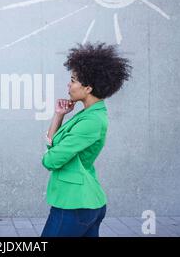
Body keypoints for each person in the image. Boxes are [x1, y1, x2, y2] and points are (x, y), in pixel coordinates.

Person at [41, 42, 132, 237]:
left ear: (88, 88)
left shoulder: (91, 121)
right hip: (82, 203)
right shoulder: (88, 114)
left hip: (74, 205)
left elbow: (51, 160)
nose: (69, 84)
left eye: (73, 80)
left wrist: (49, 155)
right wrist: (59, 115)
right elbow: (53, 144)